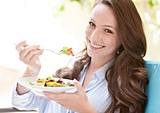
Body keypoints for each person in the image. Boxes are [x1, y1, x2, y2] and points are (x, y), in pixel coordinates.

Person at [12, 0, 148, 113]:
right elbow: (21, 102)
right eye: (92, 24)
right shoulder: (72, 70)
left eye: (108, 30)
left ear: (124, 37)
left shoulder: (126, 85)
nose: (94, 37)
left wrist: (84, 109)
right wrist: (32, 70)